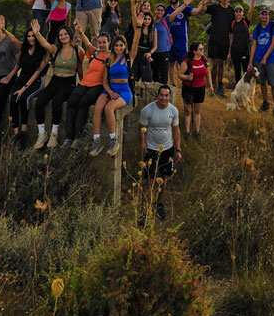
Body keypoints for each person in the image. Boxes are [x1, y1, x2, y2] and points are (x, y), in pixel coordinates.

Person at [30, 21, 83, 150]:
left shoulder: (77, 50)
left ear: (70, 35)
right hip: (55, 80)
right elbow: (45, 44)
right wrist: (37, 34)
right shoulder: (56, 49)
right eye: (60, 35)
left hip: (69, 82)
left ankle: (54, 134)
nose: (63, 36)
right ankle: (42, 134)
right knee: (39, 101)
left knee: (57, 102)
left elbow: (80, 70)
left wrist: (82, 87)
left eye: (65, 34)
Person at [139, 85, 182, 221]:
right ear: (157, 96)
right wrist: (143, 144)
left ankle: (158, 204)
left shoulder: (173, 111)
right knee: (151, 180)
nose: (164, 98)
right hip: (151, 149)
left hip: (167, 149)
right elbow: (142, 128)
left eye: (166, 95)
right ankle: (146, 207)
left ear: (169, 96)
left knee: (164, 179)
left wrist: (178, 149)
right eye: (161, 95)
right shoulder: (147, 110)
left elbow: (176, 130)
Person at [63, 27, 109, 148]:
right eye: (100, 42)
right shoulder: (95, 52)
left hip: (97, 85)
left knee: (83, 103)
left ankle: (78, 137)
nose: (102, 44)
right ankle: (68, 137)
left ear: (109, 43)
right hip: (84, 83)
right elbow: (87, 42)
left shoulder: (111, 56)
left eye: (104, 42)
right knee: (71, 102)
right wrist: (80, 31)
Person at [90, 36, 134, 157]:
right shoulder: (109, 60)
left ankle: (113, 140)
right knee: (98, 107)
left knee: (109, 108)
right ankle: (96, 141)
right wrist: (110, 92)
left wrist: (139, 27)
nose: (119, 47)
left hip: (124, 90)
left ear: (125, 46)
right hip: (111, 89)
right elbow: (104, 81)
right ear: (113, 47)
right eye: (116, 45)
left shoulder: (128, 58)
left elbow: (135, 41)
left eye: (121, 45)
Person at [6, 26, 49, 148]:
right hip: (21, 79)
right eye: (29, 36)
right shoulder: (24, 49)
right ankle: (16, 135)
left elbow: (37, 72)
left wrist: (24, 88)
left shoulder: (43, 52)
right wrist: (9, 77)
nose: (31, 38)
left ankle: (24, 132)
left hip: (35, 82)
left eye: (33, 36)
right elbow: (17, 65)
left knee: (24, 98)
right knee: (13, 98)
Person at [166, 0, 212, 73]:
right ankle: (171, 84)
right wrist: (184, 5)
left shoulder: (186, 8)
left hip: (182, 42)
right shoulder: (167, 10)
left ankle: (184, 83)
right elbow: (168, 20)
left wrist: (203, 1)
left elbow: (196, 11)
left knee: (184, 64)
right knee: (170, 64)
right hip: (169, 42)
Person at [249, 3, 274, 116]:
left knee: (273, 84)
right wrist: (250, 62)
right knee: (262, 82)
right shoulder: (257, 28)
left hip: (271, 60)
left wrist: (265, 57)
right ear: (260, 16)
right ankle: (265, 102)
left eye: (266, 14)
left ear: (269, 15)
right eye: (262, 14)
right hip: (258, 60)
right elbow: (254, 45)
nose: (264, 16)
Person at [178, 41, 213, 140]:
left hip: (200, 88)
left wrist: (210, 85)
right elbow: (179, 75)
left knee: (197, 111)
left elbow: (208, 72)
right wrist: (187, 77)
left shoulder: (204, 60)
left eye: (203, 49)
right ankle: (187, 132)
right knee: (188, 111)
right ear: (194, 51)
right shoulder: (187, 62)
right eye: (200, 49)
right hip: (188, 89)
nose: (203, 51)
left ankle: (197, 132)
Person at [205, 0, 235, 97]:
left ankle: (220, 86)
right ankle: (213, 87)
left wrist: (230, 47)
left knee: (221, 64)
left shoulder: (232, 11)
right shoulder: (214, 8)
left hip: (225, 42)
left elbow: (232, 31)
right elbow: (203, 10)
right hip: (213, 40)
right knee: (215, 64)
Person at [129, 2, 157, 88]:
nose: (147, 21)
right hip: (136, 52)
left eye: (149, 19)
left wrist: (150, 53)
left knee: (147, 78)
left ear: (151, 20)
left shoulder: (153, 30)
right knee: (133, 76)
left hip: (146, 54)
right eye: (145, 19)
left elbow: (155, 46)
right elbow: (134, 16)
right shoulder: (138, 28)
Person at [228, 2, 252, 86]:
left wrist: (252, 2)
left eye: (240, 11)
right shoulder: (232, 23)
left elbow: (250, 13)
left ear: (243, 13)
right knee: (237, 71)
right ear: (234, 13)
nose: (238, 13)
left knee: (246, 72)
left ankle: (246, 89)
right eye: (236, 11)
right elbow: (231, 38)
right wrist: (229, 52)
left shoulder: (246, 22)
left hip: (245, 51)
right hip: (235, 51)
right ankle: (238, 89)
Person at [152, 4, 173, 85]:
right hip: (153, 52)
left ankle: (165, 93)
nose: (160, 11)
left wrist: (184, 5)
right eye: (158, 9)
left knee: (164, 75)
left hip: (164, 52)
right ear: (155, 10)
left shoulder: (166, 20)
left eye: (162, 10)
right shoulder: (150, 21)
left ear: (164, 12)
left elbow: (176, 12)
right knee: (154, 75)